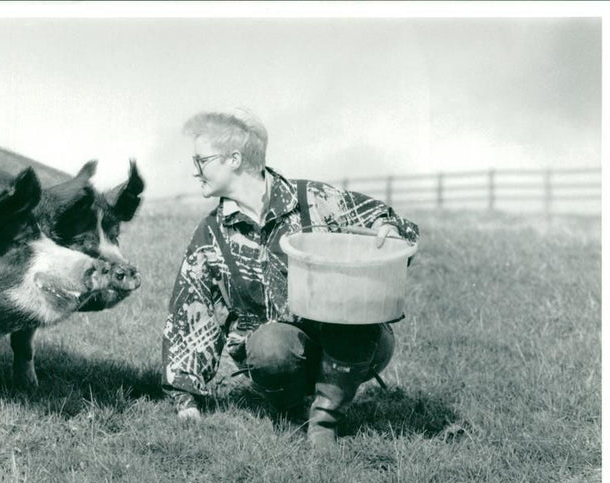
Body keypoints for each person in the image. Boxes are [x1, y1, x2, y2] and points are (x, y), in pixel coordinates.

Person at [161, 108, 420, 449]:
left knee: (351, 319)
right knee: (270, 345)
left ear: (234, 159)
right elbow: (189, 314)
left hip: (355, 344)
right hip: (277, 358)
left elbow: (388, 221)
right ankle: (290, 413)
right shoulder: (212, 233)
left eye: (201, 160)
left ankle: (323, 423)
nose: (195, 171)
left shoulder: (314, 200)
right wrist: (186, 399)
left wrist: (388, 230)